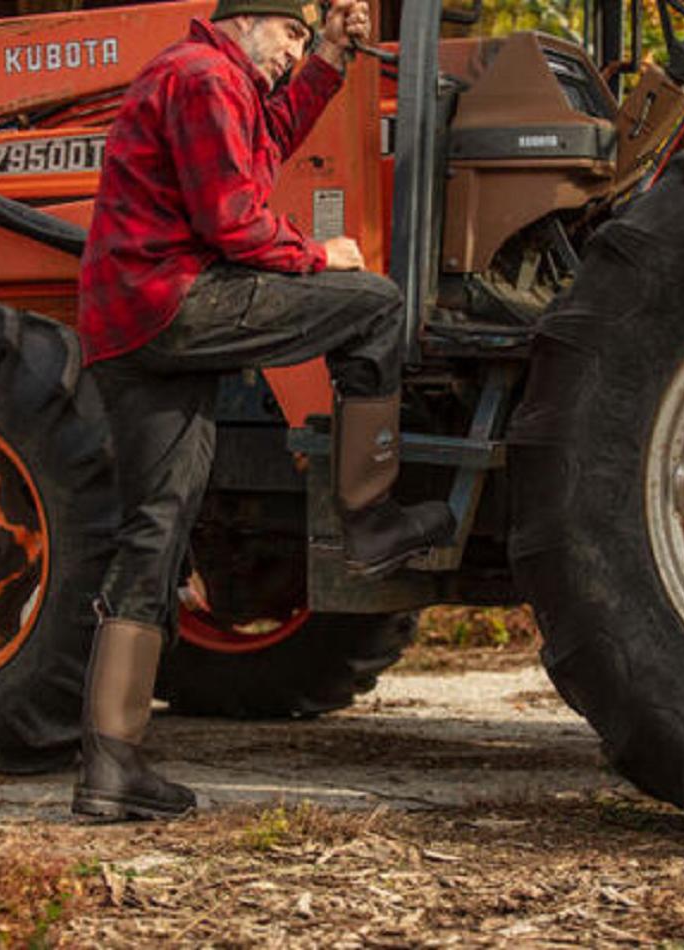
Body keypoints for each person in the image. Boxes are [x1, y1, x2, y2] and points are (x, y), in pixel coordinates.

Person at [72, 0, 455, 822]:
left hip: (125, 326)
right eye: (289, 36)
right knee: (373, 303)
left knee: (157, 527)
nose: (289, 56)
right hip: (175, 302)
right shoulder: (207, 76)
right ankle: (365, 516)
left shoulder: (206, 78)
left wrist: (328, 57)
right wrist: (321, 254)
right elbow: (232, 221)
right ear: (249, 19)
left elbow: (265, 144)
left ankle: (110, 766)